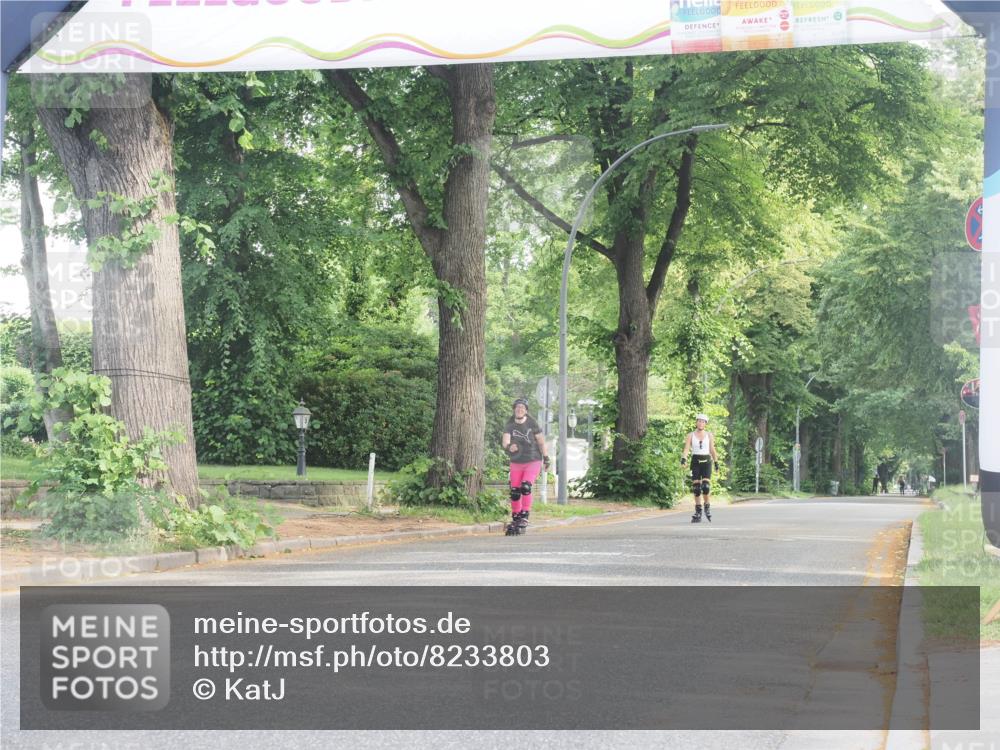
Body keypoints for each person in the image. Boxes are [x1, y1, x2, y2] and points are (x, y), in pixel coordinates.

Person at [501, 398, 550, 536]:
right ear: (514, 409)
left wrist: (546, 458)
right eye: (517, 407)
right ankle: (516, 517)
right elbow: (505, 442)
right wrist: (510, 446)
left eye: (522, 407)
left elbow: (541, 442)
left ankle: (524, 515)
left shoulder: (532, 423)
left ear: (526, 410)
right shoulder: (509, 424)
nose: (519, 409)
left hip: (532, 459)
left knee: (526, 487)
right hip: (516, 461)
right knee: (515, 492)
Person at [681, 413, 718, 523]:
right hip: (695, 461)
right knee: (696, 488)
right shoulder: (690, 435)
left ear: (705, 424)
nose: (700, 423)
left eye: (703, 421)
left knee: (705, 487)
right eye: (699, 421)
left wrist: (716, 462)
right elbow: (687, 448)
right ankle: (698, 511)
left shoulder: (709, 435)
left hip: (706, 461)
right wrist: (684, 459)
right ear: (696, 422)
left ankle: (707, 506)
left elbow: (712, 449)